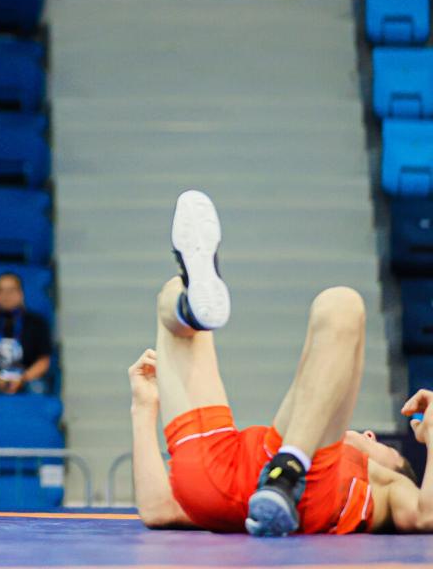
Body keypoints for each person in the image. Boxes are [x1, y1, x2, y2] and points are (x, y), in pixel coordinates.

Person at [131, 189, 433, 537]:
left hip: (306, 490)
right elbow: (157, 509)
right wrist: (143, 406)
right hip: (224, 467)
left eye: (387, 451)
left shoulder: (388, 486)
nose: (368, 434)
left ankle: (288, 472)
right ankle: (190, 308)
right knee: (172, 296)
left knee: (344, 304)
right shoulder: (296, 435)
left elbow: (426, 516)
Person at [0, 273, 52, 396]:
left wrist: (23, 379)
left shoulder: (37, 323)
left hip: (27, 378)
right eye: (0, 291)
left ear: (21, 294)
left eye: (11, 290)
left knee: (37, 389)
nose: (6, 296)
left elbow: (44, 360)